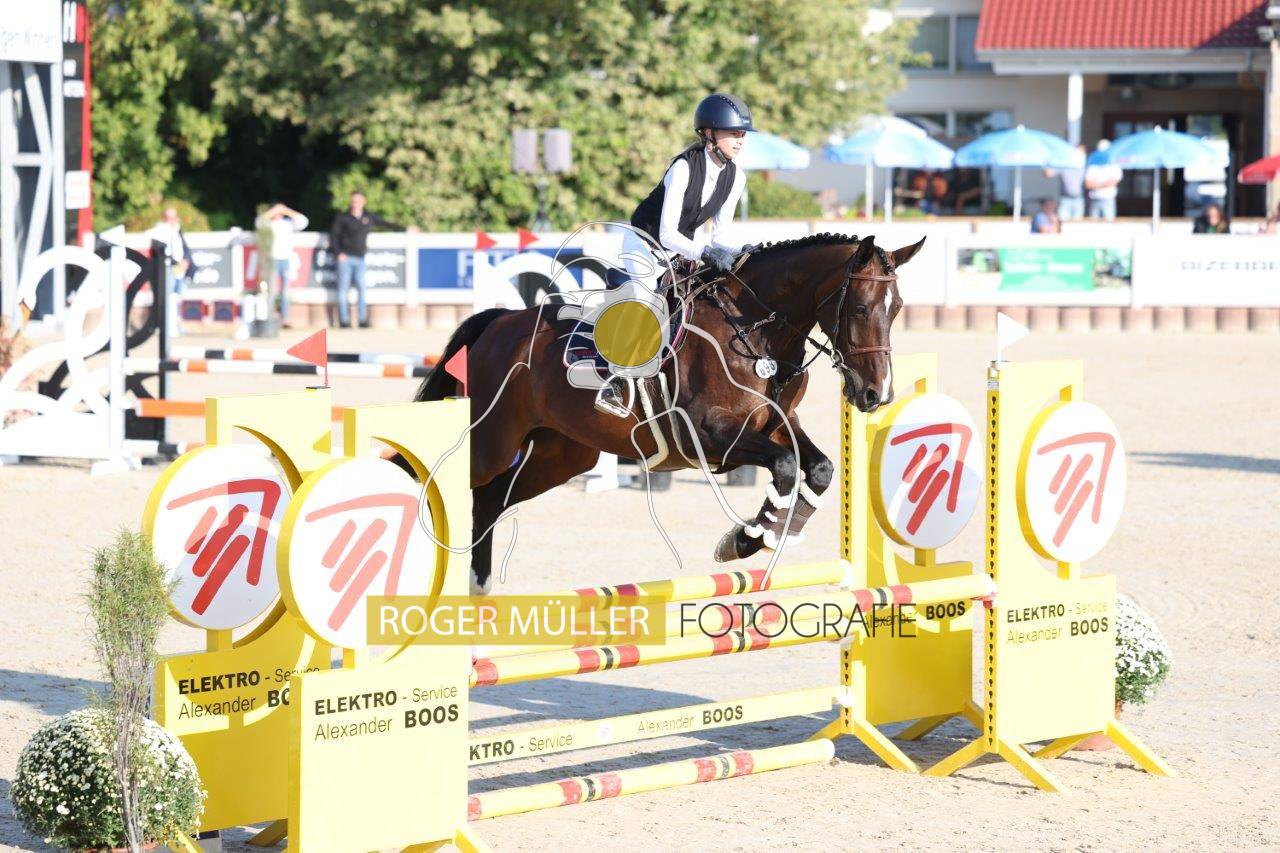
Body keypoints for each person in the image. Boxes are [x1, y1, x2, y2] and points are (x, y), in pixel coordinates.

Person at [603, 93, 754, 415]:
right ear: (709, 133)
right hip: (645, 245)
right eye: (733, 133)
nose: (740, 140)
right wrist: (707, 253)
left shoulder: (736, 177)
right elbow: (667, 233)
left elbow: (721, 234)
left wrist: (742, 251)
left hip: (681, 252)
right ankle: (614, 380)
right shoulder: (684, 168)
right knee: (648, 302)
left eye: (742, 134)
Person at [328, 191, 406, 328]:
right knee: (343, 290)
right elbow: (333, 236)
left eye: (358, 201)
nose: (356, 203)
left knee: (362, 289)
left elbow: (386, 223)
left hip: (360, 258)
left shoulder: (368, 216)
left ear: (364, 202)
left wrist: (406, 229)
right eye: (354, 201)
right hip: (345, 258)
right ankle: (344, 321)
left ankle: (362, 320)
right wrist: (338, 253)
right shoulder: (342, 217)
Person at [255, 203, 309, 328]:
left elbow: (304, 221)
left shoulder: (288, 223)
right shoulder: (268, 224)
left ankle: (285, 318)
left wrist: (287, 211)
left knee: (285, 291)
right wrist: (273, 211)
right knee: (272, 291)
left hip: (286, 259)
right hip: (272, 259)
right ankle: (269, 316)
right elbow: (258, 222)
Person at [147, 206, 194, 338]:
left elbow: (185, 248)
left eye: (173, 217)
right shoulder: (159, 232)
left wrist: (185, 261)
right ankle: (164, 326)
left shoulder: (178, 230)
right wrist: (176, 262)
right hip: (167, 269)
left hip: (180, 270)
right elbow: (159, 252)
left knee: (177, 299)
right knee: (166, 299)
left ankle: (176, 325)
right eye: (169, 218)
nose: (172, 220)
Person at [1045, 144, 1086, 221]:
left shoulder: (1085, 166)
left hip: (1079, 200)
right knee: (1063, 223)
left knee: (1077, 225)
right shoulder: (1065, 165)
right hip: (1065, 199)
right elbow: (1048, 174)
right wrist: (1049, 158)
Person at [1085, 140, 1123, 220]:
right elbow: (1088, 184)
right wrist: (1104, 184)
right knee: (1093, 224)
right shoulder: (1093, 165)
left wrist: (1097, 185)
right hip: (1095, 199)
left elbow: (1114, 182)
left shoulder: (1114, 165)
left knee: (1109, 223)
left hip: (1108, 199)